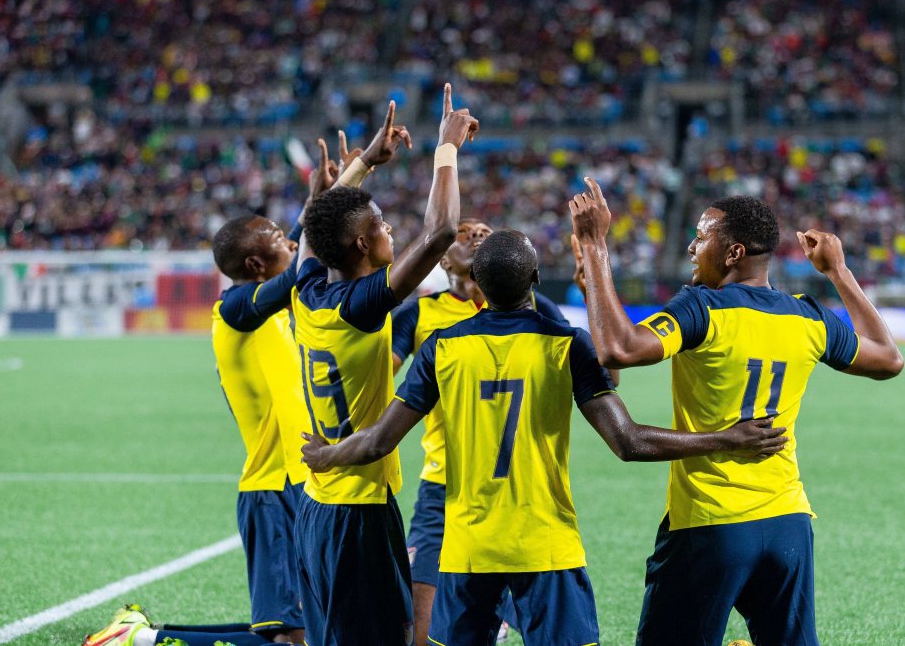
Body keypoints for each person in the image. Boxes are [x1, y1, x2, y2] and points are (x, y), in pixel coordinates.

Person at [299, 229, 791, 646]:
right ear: (536, 279)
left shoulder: (442, 348)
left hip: (468, 546)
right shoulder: (566, 342)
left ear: (478, 286)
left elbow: (379, 441)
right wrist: (727, 438)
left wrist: (326, 455)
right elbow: (630, 442)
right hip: (546, 545)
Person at [80, 103, 408, 646]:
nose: (291, 236)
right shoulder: (234, 311)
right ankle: (143, 642)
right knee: (292, 640)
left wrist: (361, 170)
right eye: (279, 236)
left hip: (307, 483)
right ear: (255, 265)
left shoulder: (297, 307)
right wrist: (341, 187)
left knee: (315, 631)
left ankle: (145, 634)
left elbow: (316, 240)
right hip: (271, 488)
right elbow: (312, 246)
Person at [567, 179, 904, 646]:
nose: (691, 246)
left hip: (711, 524)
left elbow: (619, 349)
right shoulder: (807, 317)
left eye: (701, 237)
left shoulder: (702, 309)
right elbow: (889, 359)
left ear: (732, 252)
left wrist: (594, 243)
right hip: (788, 522)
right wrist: (839, 272)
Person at [290, 85, 477, 646]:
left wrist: (364, 164)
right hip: (356, 509)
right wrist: (447, 150)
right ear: (362, 246)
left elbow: (310, 231)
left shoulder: (307, 291)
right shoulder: (361, 306)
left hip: (318, 503)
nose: (390, 229)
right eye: (380, 226)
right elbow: (440, 232)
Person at [389, 217, 573, 645]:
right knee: (423, 632)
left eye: (485, 231)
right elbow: (382, 377)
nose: (475, 234)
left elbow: (603, 373)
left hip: (522, 485)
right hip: (444, 483)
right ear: (443, 257)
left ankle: (502, 611)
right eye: (463, 231)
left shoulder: (536, 308)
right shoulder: (421, 312)